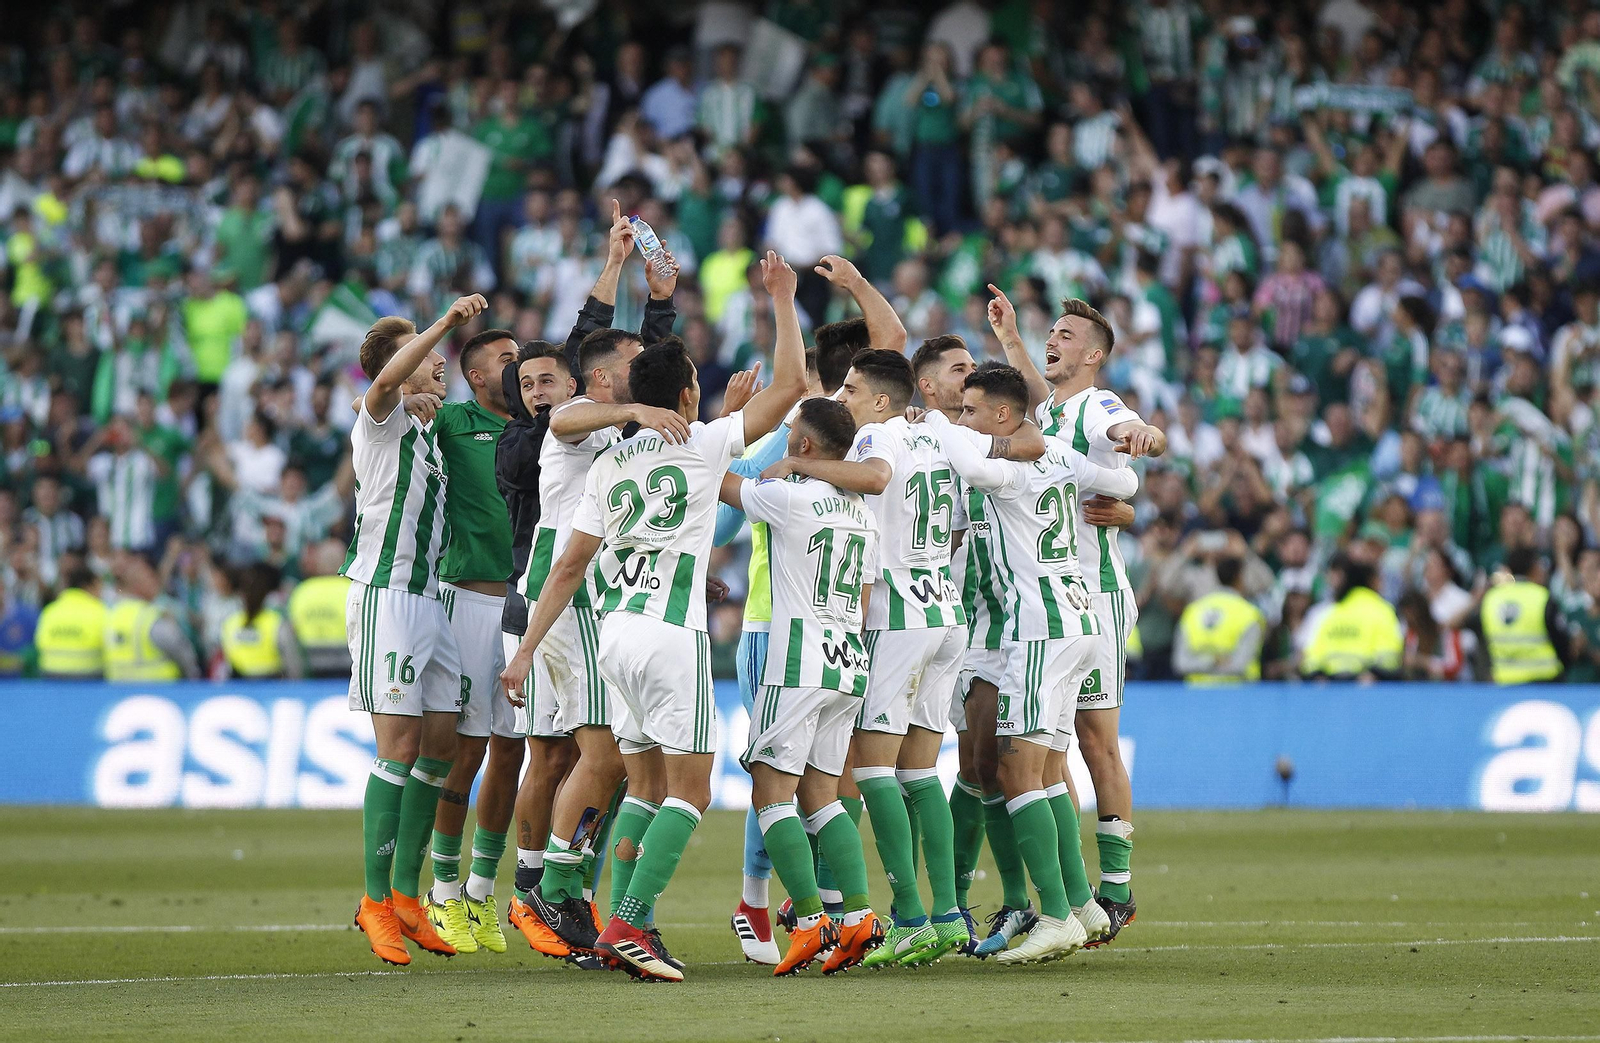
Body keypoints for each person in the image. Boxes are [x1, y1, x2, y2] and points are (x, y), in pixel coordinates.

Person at [503, 251, 807, 982]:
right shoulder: (702, 443)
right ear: (689, 391)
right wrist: (784, 300)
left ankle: (604, 913)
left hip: (614, 639)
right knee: (691, 790)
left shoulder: (608, 465)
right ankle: (631, 921)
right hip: (672, 640)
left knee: (641, 785)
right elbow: (795, 386)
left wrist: (520, 655)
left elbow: (571, 566)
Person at [502, 206, 686, 964]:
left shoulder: (620, 418)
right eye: (631, 369)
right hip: (561, 590)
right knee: (599, 756)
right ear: (608, 378)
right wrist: (636, 403)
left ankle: (564, 892)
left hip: (592, 593)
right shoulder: (577, 410)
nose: (644, 376)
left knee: (585, 758)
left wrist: (660, 296)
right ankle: (548, 886)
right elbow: (574, 416)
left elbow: (665, 380)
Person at [768, 346, 980, 968]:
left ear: (884, 399)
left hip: (899, 613)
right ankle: (947, 913)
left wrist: (797, 468)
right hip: (944, 608)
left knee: (872, 770)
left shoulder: (879, 436)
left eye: (853, 390)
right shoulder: (944, 434)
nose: (843, 400)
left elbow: (876, 478)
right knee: (920, 773)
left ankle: (911, 912)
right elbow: (959, 526)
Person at [718, 254, 899, 966]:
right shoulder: (862, 507)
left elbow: (721, 485)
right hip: (848, 657)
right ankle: (854, 913)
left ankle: (801, 922)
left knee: (772, 792)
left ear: (800, 442)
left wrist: (731, 422)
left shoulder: (786, 493)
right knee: (826, 793)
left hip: (791, 651)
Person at [926, 364, 1138, 962]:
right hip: (1081, 622)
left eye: (971, 410)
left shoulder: (1010, 473)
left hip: (1041, 632)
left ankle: (1053, 916)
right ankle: (1081, 902)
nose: (962, 419)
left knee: (1017, 774)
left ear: (1001, 414)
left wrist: (935, 425)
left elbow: (969, 465)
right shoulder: (1064, 459)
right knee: (1044, 773)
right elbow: (1127, 488)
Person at [989, 287, 1165, 944]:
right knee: (1053, 746)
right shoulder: (1055, 408)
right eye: (1051, 331)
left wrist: (1142, 436)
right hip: (1053, 597)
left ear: (1093, 354)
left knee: (1093, 740)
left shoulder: (1098, 405)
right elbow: (1042, 397)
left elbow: (1126, 428)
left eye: (1064, 334)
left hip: (1092, 595)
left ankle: (1115, 888)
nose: (1052, 338)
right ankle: (1070, 894)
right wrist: (1009, 336)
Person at [343, 293, 486, 967]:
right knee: (398, 746)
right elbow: (378, 388)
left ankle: (405, 894)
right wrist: (447, 322)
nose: (440, 362)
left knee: (441, 746)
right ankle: (374, 900)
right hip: (387, 597)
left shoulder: (427, 424)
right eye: (426, 354)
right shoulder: (376, 421)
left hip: (432, 600)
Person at [418, 326, 523, 959]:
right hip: (468, 602)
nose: (518, 369)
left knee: (512, 751)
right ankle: (444, 889)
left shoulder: (541, 430)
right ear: (477, 377)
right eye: (506, 362)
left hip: (524, 609)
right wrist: (408, 401)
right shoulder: (453, 420)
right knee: (466, 750)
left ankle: (482, 892)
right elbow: (369, 407)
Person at [1300, 556, 1404, 680]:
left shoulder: (1332, 612)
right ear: (1372, 581)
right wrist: (1374, 674)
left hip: (1330, 689)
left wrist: (1317, 676)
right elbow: (1389, 657)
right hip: (1368, 688)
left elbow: (1311, 657)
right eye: (1379, 579)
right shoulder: (1383, 611)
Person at [1476, 548, 1568, 685]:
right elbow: (1561, 642)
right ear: (1533, 567)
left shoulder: (1491, 598)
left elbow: (1482, 638)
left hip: (1503, 681)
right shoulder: (1542, 597)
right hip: (1544, 683)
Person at [1172, 556, 1267, 683]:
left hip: (1196, 696)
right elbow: (1242, 664)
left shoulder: (1192, 612)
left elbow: (1181, 663)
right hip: (1239, 696)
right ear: (1240, 577)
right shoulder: (1249, 614)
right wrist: (1218, 662)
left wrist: (1208, 662)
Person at [105, 554, 199, 681]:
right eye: (150, 578)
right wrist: (193, 675)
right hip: (160, 691)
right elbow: (181, 651)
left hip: (118, 692)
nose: (156, 583)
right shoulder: (151, 617)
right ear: (137, 585)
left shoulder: (111, 614)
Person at [220, 562, 301, 679]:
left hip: (240, 690)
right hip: (273, 689)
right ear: (266, 593)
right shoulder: (276, 623)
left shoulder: (229, 624)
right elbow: (294, 666)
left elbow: (226, 665)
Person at [287, 541, 352, 678]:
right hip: (347, 669)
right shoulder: (351, 590)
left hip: (309, 671)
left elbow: (292, 631)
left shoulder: (301, 591)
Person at [35, 563, 107, 679]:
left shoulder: (50, 611)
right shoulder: (100, 611)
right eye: (99, 587)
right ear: (88, 586)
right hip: (90, 680)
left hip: (51, 677)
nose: (101, 593)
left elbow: (39, 643)